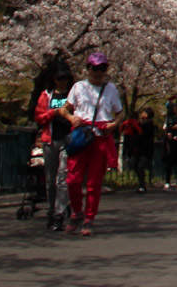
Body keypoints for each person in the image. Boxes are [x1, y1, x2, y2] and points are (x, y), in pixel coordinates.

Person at [59, 51, 123, 236]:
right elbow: (64, 109)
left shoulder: (110, 89)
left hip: (101, 137)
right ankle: (76, 211)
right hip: (81, 135)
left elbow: (120, 112)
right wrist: (71, 118)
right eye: (94, 68)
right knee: (73, 179)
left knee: (94, 183)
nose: (98, 72)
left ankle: (89, 217)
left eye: (102, 68)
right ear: (88, 69)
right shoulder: (78, 87)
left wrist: (114, 124)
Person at [34, 64, 74, 230]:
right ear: (54, 80)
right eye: (59, 79)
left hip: (68, 139)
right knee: (51, 180)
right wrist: (54, 113)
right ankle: (52, 210)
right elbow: (39, 116)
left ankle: (59, 213)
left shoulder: (73, 95)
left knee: (62, 178)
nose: (62, 82)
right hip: (50, 139)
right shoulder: (46, 96)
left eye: (65, 78)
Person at [123, 107, 156, 192]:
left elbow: (144, 134)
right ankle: (141, 183)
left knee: (140, 166)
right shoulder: (138, 124)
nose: (143, 114)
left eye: (144, 113)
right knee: (134, 164)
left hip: (145, 149)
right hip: (137, 149)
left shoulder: (149, 124)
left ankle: (142, 185)